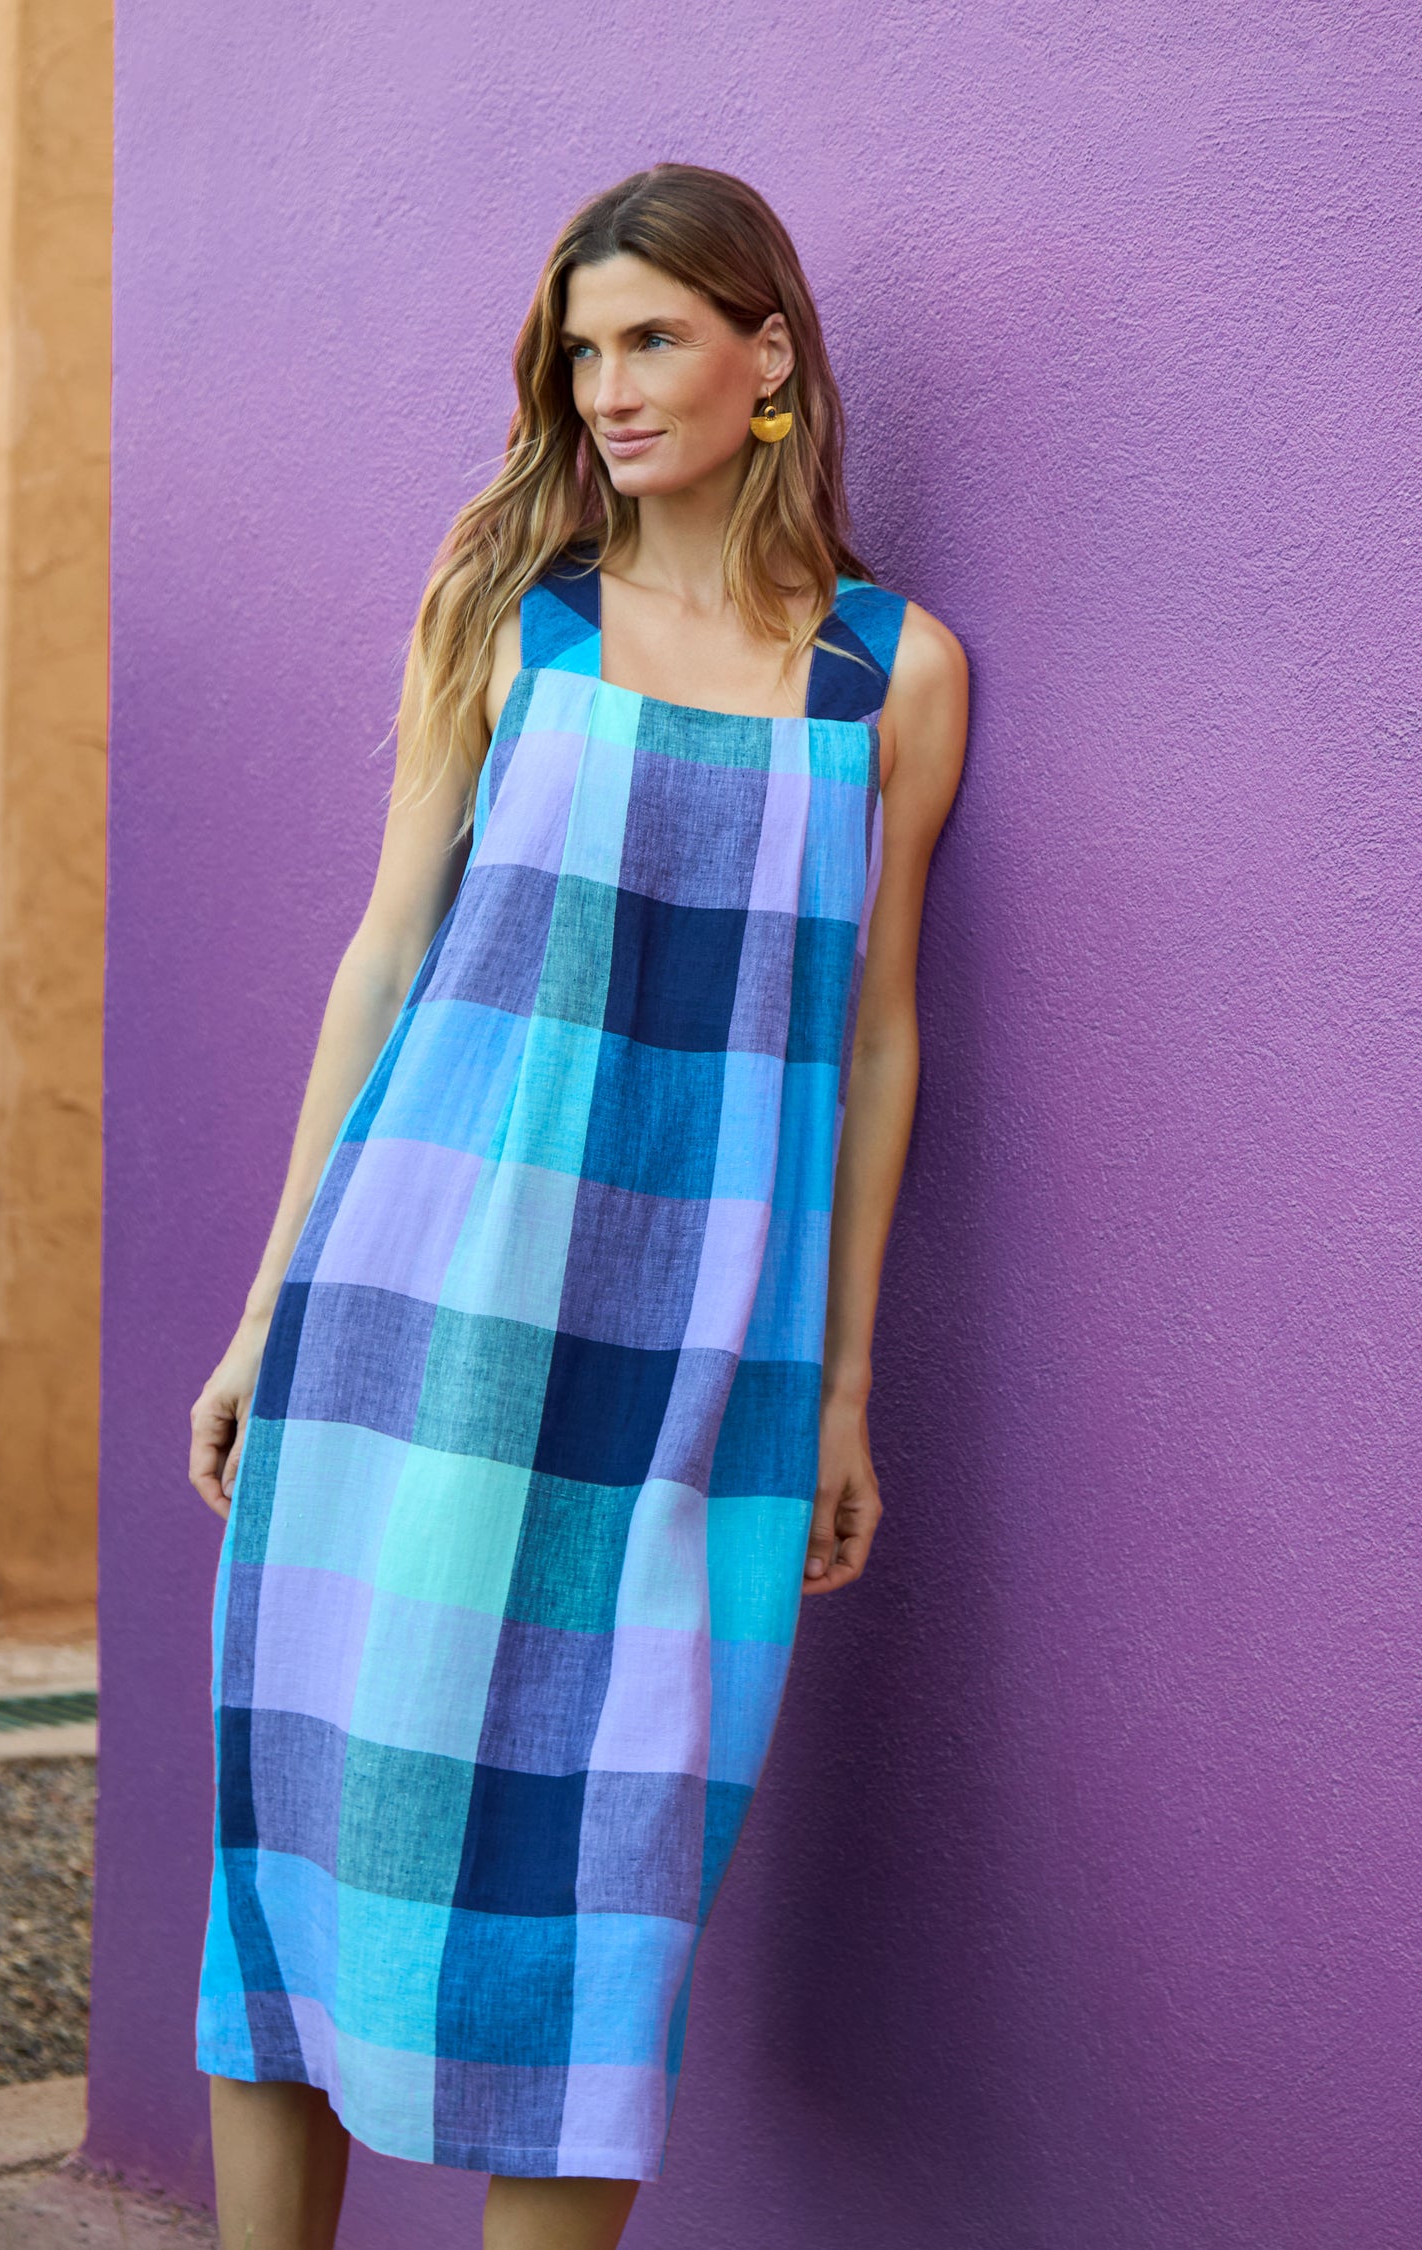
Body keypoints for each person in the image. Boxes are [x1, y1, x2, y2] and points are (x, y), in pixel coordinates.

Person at [187, 160, 968, 2250]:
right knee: (311, 1838)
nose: (609, 388)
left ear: (766, 356)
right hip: (417, 1303)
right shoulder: (509, 615)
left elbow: (877, 1034)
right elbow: (386, 953)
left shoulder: (889, 676)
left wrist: (845, 1389)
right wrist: (268, 1306)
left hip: (697, 1353)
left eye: (653, 339)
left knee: (604, 1892)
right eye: (583, 350)